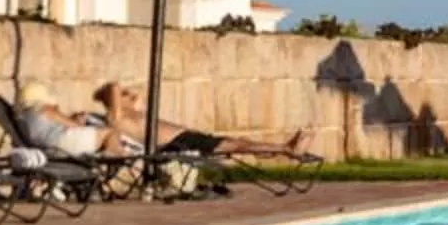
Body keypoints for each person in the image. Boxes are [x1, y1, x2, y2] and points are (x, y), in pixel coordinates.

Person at [99, 84, 309, 159]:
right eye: (125, 95)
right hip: (177, 144)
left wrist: (131, 96)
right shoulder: (116, 117)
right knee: (237, 145)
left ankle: (285, 150)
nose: (130, 96)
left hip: (184, 138)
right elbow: (114, 86)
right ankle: (287, 149)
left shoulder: (132, 113)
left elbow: (138, 96)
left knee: (238, 143)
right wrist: (119, 94)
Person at [14, 82, 129, 158]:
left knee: (107, 129)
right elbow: (74, 125)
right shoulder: (44, 109)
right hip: (61, 145)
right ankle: (117, 153)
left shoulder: (24, 117)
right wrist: (79, 123)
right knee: (110, 132)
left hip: (48, 147)